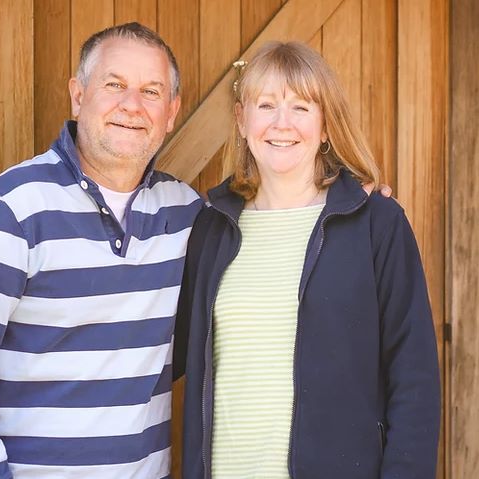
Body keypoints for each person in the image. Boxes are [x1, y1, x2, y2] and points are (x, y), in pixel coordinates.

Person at [0, 23, 203, 478]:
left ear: (171, 113)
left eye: (151, 92)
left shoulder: (185, 212)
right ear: (78, 95)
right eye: (114, 85)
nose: (132, 105)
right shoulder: (7, 210)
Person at [174, 41, 440, 478]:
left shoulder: (376, 223)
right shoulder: (213, 227)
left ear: (326, 126)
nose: (282, 123)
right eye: (266, 105)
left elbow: (414, 381)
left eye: (301, 107)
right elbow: (166, 353)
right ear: (242, 121)